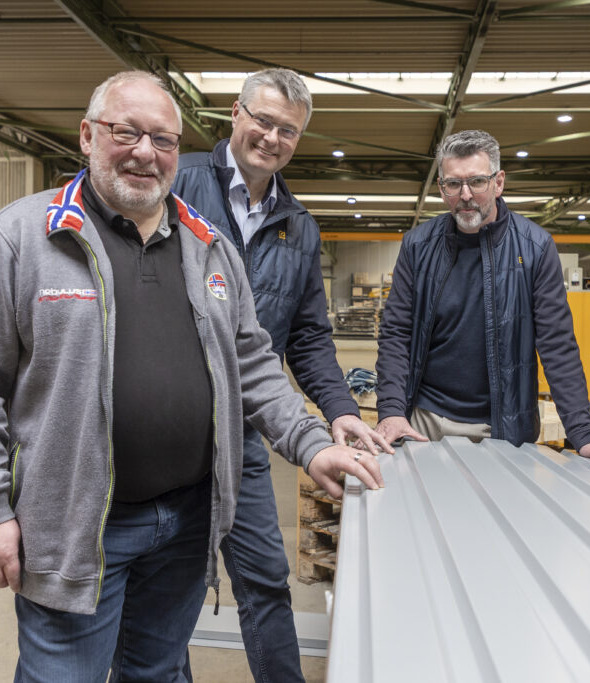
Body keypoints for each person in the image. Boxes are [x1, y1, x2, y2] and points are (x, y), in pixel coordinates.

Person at [0, 70, 382, 682]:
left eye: (162, 139)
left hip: (187, 523)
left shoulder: (208, 246)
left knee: (157, 672)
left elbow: (252, 363)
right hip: (78, 526)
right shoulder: (23, 237)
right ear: (87, 135)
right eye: (126, 132)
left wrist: (311, 442)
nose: (145, 152)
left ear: (177, 150)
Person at [171, 67, 388, 682]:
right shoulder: (176, 183)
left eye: (287, 130)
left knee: (266, 579)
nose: (271, 138)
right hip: (163, 429)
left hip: (241, 434)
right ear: (235, 115)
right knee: (165, 589)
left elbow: (309, 336)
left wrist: (341, 409)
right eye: (262, 121)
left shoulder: (299, 225)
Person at [372, 129, 590, 459]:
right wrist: (391, 412)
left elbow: (557, 344)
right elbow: (396, 333)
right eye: (453, 184)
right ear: (441, 188)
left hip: (502, 427)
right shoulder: (417, 246)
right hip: (425, 422)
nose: (465, 195)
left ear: (498, 182)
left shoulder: (535, 248)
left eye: (477, 182)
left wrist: (582, 434)